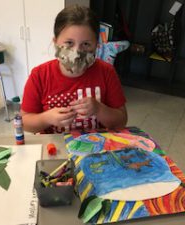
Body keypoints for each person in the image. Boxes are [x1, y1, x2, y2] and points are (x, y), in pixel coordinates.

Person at [21, 5, 127, 134]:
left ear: (96, 46)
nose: (77, 52)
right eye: (69, 43)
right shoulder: (39, 75)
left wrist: (99, 109)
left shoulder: (106, 72)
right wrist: (47, 118)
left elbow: (121, 121)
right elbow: (24, 122)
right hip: (55, 149)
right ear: (55, 42)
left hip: (96, 147)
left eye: (86, 44)